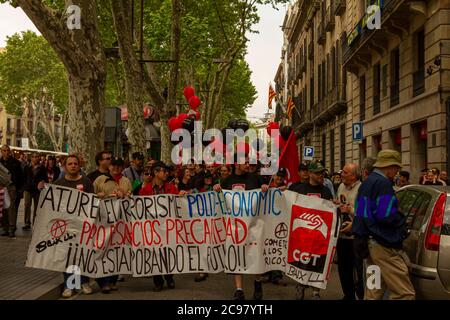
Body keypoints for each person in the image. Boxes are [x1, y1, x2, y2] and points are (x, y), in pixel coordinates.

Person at [352, 150, 415, 300]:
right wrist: (401, 220)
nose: (397, 172)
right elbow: (385, 215)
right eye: (397, 168)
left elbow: (360, 212)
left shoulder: (367, 183)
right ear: (390, 166)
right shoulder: (383, 184)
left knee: (373, 292)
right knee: (404, 293)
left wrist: (359, 235)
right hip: (384, 245)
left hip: (370, 244)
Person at [213, 157, 269, 300]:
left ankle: (257, 282)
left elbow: (266, 196)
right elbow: (220, 202)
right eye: (245, 162)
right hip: (236, 226)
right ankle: (239, 290)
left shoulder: (256, 179)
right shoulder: (226, 181)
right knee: (237, 253)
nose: (248, 165)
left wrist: (265, 189)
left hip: (254, 223)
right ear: (236, 163)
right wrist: (217, 190)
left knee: (255, 252)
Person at [139, 161, 186, 291]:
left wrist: (180, 196)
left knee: (168, 252)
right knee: (154, 252)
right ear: (156, 172)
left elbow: (178, 204)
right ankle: (157, 281)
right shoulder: (145, 190)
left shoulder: (171, 188)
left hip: (168, 226)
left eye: (167, 172)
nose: (166, 174)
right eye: (164, 171)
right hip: (152, 227)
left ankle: (169, 277)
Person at [289, 160, 333, 300]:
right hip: (301, 236)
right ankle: (300, 285)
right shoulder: (298, 190)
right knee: (300, 262)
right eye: (318, 173)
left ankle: (316, 292)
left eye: (322, 173)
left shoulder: (326, 191)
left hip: (319, 237)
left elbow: (331, 211)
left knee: (318, 263)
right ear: (310, 174)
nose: (321, 175)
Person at [54, 154, 94, 298]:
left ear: (79, 165)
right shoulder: (58, 183)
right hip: (66, 227)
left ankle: (84, 282)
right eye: (70, 164)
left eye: (75, 163)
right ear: (65, 167)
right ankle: (69, 285)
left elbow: (92, 202)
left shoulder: (86, 182)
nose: (73, 166)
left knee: (83, 255)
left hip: (83, 226)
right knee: (68, 256)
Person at [93, 157, 132, 293]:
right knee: (102, 249)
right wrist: (99, 195)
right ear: (109, 167)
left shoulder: (126, 181)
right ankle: (103, 281)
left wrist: (126, 196)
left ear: (122, 167)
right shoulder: (100, 180)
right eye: (113, 165)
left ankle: (112, 280)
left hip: (120, 223)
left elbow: (130, 200)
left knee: (117, 250)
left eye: (119, 166)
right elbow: (90, 197)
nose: (116, 168)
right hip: (103, 223)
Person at [335, 163, 363, 300]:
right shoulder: (340, 187)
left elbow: (364, 213)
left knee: (357, 268)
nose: (342, 175)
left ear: (354, 176)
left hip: (355, 236)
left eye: (345, 173)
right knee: (343, 267)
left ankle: (359, 295)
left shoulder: (361, 189)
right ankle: (348, 295)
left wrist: (350, 210)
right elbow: (340, 205)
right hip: (342, 234)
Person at [0, 145, 24, 238]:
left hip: (11, 187)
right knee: (3, 208)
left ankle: (11, 228)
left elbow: (21, 176)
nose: (6, 152)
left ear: (9, 151)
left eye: (7, 150)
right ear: (1, 151)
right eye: (4, 150)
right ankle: (5, 228)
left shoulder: (15, 163)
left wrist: (19, 190)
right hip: (1, 187)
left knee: (11, 208)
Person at [23, 153, 47, 228]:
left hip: (37, 190)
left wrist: (42, 182)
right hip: (28, 189)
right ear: (31, 158)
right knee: (27, 205)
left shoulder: (42, 167)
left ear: (38, 158)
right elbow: (23, 177)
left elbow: (45, 178)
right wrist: (24, 187)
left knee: (37, 206)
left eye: (36, 157)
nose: (35, 158)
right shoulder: (27, 166)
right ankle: (27, 222)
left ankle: (35, 222)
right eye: (33, 157)